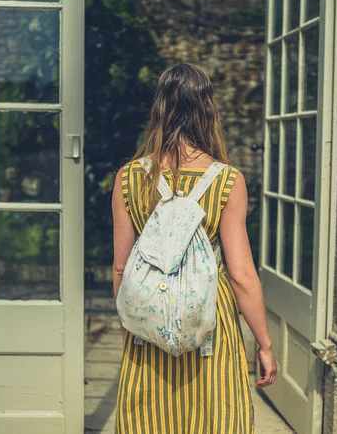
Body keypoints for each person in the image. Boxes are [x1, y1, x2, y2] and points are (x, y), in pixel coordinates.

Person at [111, 63, 278, 434]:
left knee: (149, 419)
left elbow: (121, 269)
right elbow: (241, 274)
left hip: (149, 318)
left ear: (159, 110)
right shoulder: (228, 181)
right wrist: (264, 344)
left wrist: (131, 327)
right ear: (207, 110)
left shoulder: (129, 177)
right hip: (210, 319)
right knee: (215, 415)